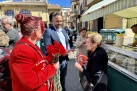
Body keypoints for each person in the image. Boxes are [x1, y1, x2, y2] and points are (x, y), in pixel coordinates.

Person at [9, 14, 60, 91]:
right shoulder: (21, 51)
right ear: (35, 32)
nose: (44, 31)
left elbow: (37, 63)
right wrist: (52, 68)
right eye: (42, 29)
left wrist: (49, 58)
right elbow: (30, 82)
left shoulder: (30, 45)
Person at [43, 12, 69, 91]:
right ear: (52, 21)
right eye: (57, 21)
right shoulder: (48, 31)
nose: (59, 23)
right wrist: (61, 53)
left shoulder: (63, 30)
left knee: (63, 78)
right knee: (55, 81)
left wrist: (68, 49)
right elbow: (48, 47)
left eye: (61, 21)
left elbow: (65, 42)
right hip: (55, 61)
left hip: (64, 59)